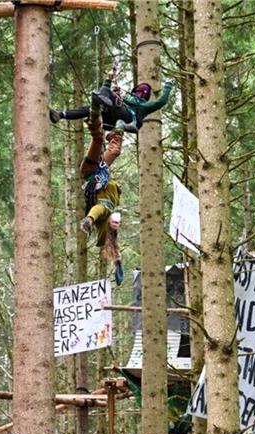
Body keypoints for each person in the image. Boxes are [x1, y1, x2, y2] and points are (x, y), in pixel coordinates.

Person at [80, 108, 125, 285]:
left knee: (97, 140)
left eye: (114, 225)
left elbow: (98, 210)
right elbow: (112, 245)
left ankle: (94, 120)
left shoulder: (102, 215)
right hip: (102, 170)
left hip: (91, 171)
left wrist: (89, 220)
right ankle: (117, 131)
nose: (115, 224)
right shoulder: (110, 228)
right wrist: (118, 262)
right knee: (114, 152)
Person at [51, 73, 174, 133]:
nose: (140, 94)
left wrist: (168, 85)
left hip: (126, 118)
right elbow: (107, 93)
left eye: (143, 94)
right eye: (139, 92)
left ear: (145, 97)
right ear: (135, 91)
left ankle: (102, 100)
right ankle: (60, 115)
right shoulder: (125, 98)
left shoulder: (144, 106)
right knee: (89, 108)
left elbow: (161, 101)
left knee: (106, 94)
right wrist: (108, 80)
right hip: (110, 119)